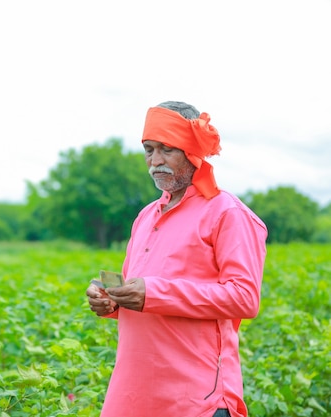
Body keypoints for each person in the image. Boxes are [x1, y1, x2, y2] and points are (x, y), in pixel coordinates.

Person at [86, 101, 267, 417]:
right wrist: (113, 301)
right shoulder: (146, 215)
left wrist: (153, 293)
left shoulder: (227, 213)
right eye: (149, 149)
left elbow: (244, 298)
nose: (155, 161)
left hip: (196, 398)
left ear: (193, 151)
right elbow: (142, 293)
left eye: (167, 149)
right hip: (133, 393)